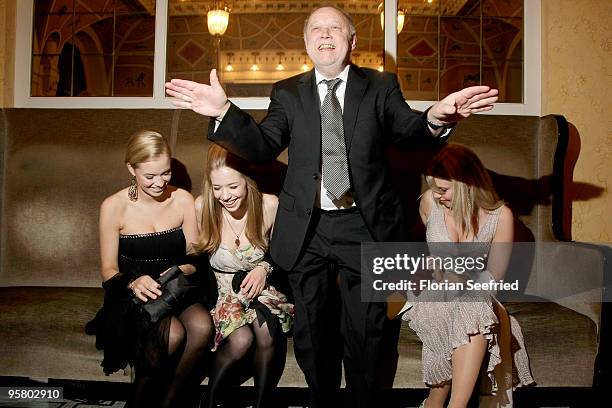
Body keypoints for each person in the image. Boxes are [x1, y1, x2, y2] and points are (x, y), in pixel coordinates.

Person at [165, 6, 499, 407]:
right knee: (311, 333)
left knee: (368, 331)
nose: (325, 35)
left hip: (366, 224)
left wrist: (435, 117)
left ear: (352, 41)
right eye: (316, 30)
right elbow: (263, 145)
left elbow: (410, 130)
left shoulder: (380, 86)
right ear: (307, 43)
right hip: (309, 228)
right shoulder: (287, 92)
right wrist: (223, 112)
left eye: (335, 29)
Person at [86, 130, 214, 408]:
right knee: (175, 333)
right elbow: (108, 270)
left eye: (165, 173)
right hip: (135, 292)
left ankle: (170, 401)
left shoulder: (182, 199)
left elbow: (196, 256)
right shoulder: (113, 206)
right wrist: (133, 282)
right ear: (131, 169)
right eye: (150, 176)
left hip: (176, 288)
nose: (160, 183)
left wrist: (188, 269)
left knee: (203, 327)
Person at [402, 144, 534, 408]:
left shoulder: (500, 217)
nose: (437, 195)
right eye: (434, 188)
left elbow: (494, 278)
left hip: (475, 295)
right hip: (430, 293)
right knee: (464, 308)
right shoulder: (430, 202)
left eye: (443, 189)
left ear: (466, 184)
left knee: (471, 306)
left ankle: (441, 404)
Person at [194, 144, 294, 408]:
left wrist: (264, 268)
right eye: (217, 188)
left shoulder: (270, 205)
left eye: (232, 187)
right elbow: (192, 261)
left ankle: (262, 403)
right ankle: (210, 399)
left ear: (248, 181)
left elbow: (286, 254)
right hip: (224, 293)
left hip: (264, 288)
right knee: (241, 339)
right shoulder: (203, 207)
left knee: (265, 331)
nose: (225, 196)